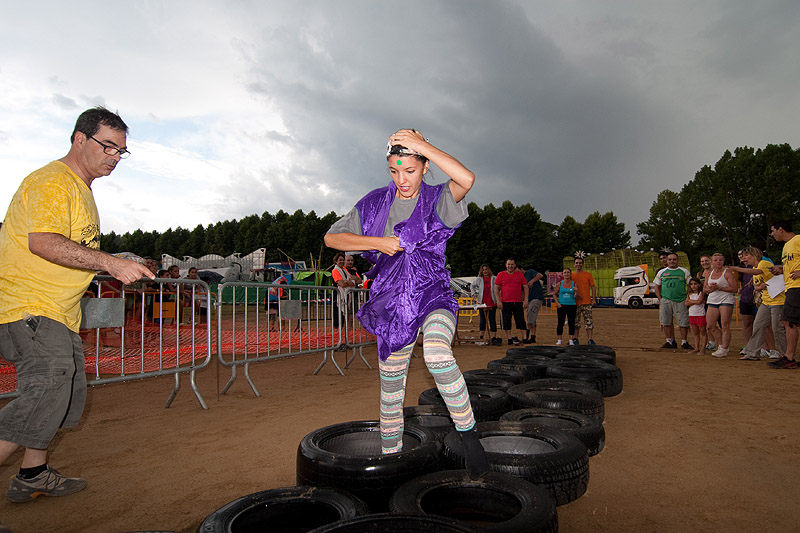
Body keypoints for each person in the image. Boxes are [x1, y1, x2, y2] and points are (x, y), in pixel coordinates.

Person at [0, 107, 154, 504]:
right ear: (79, 139)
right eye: (108, 146)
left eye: (122, 151)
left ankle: (32, 473)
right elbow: (43, 242)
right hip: (31, 306)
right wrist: (110, 262)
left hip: (60, 313)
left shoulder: (82, 190)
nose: (115, 157)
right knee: (44, 394)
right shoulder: (54, 181)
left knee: (62, 397)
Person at [324, 128, 488, 478]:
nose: (402, 179)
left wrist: (422, 145)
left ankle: (469, 436)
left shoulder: (438, 199)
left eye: (410, 170)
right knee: (390, 393)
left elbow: (467, 178)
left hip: (432, 293)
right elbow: (332, 237)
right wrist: (377, 242)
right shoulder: (372, 203)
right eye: (394, 171)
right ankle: (392, 464)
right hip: (391, 303)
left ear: (425, 166)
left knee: (438, 355)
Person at [730, 246, 785, 362]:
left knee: (777, 328)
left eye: (746, 256)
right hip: (766, 302)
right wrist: (759, 287)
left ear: (754, 255)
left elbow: (757, 272)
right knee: (758, 326)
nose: (744, 259)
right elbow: (756, 286)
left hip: (778, 301)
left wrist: (737, 269)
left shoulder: (763, 263)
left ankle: (784, 354)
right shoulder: (755, 268)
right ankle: (752, 353)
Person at [768, 220, 800, 369]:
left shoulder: (797, 240)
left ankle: (789, 357)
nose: (772, 234)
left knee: (789, 321)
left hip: (797, 287)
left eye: (773, 231)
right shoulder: (787, 246)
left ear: (781, 229)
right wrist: (781, 269)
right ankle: (789, 356)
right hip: (791, 287)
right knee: (790, 321)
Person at [654, 252, 692, 350]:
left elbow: (690, 285)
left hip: (680, 300)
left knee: (683, 322)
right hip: (666, 300)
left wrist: (688, 297)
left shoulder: (684, 271)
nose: (672, 261)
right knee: (666, 321)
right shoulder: (661, 272)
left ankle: (684, 342)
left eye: (674, 259)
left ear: (677, 260)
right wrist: (660, 299)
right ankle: (669, 341)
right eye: (670, 259)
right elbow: (657, 286)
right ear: (667, 261)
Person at [704, 253, 738, 358]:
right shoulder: (709, 274)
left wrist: (720, 288)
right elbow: (705, 288)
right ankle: (722, 344)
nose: (718, 262)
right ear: (712, 262)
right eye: (715, 260)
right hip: (713, 300)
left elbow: (734, 288)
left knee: (724, 324)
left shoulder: (727, 273)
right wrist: (710, 289)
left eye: (720, 260)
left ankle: (724, 348)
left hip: (725, 300)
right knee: (710, 325)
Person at [494, 258, 529, 346]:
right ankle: (509, 338)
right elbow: (496, 288)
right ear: (506, 265)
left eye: (512, 264)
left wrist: (526, 300)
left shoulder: (519, 275)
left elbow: (525, 287)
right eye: (508, 264)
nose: (510, 266)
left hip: (517, 301)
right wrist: (498, 300)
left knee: (521, 320)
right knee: (506, 321)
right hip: (505, 302)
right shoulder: (501, 274)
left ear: (515, 265)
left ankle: (524, 337)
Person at [470, 264, 499, 346]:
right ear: (481, 271)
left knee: (492, 319)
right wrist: (474, 293)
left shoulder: (494, 278)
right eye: (483, 270)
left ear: (489, 270)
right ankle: (481, 336)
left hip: (492, 302)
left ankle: (493, 337)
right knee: (482, 320)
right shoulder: (479, 279)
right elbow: (472, 286)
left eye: (486, 269)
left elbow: (499, 286)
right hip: (481, 302)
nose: (485, 271)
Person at [572, 256, 597, 345]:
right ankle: (575, 338)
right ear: (574, 264)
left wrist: (593, 299)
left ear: (583, 264)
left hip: (586, 302)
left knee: (589, 321)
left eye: (580, 263)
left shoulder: (588, 275)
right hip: (575, 303)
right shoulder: (572, 275)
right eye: (577, 263)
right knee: (576, 322)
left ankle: (590, 339)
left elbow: (593, 287)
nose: (578, 264)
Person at [553, 268, 579, 346]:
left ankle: (571, 339)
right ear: (563, 274)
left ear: (570, 274)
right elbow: (554, 294)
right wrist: (557, 303)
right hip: (562, 305)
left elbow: (575, 296)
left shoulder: (574, 283)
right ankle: (559, 339)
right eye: (565, 272)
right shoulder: (559, 284)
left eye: (568, 272)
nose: (566, 274)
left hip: (572, 305)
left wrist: (576, 291)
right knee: (560, 322)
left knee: (571, 322)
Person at [684, 278, 708, 355]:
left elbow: (699, 302)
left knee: (703, 332)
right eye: (691, 284)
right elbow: (686, 303)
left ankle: (703, 348)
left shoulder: (701, 293)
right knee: (695, 332)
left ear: (699, 285)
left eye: (695, 284)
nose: (693, 286)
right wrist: (694, 302)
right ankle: (696, 348)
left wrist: (691, 301)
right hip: (692, 314)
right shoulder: (689, 294)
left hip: (700, 314)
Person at [523, 264, 545, 344]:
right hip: (529, 299)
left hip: (536, 297)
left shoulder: (530, 272)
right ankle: (533, 336)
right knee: (532, 318)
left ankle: (526, 337)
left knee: (530, 317)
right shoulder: (521, 278)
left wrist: (532, 281)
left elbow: (540, 275)